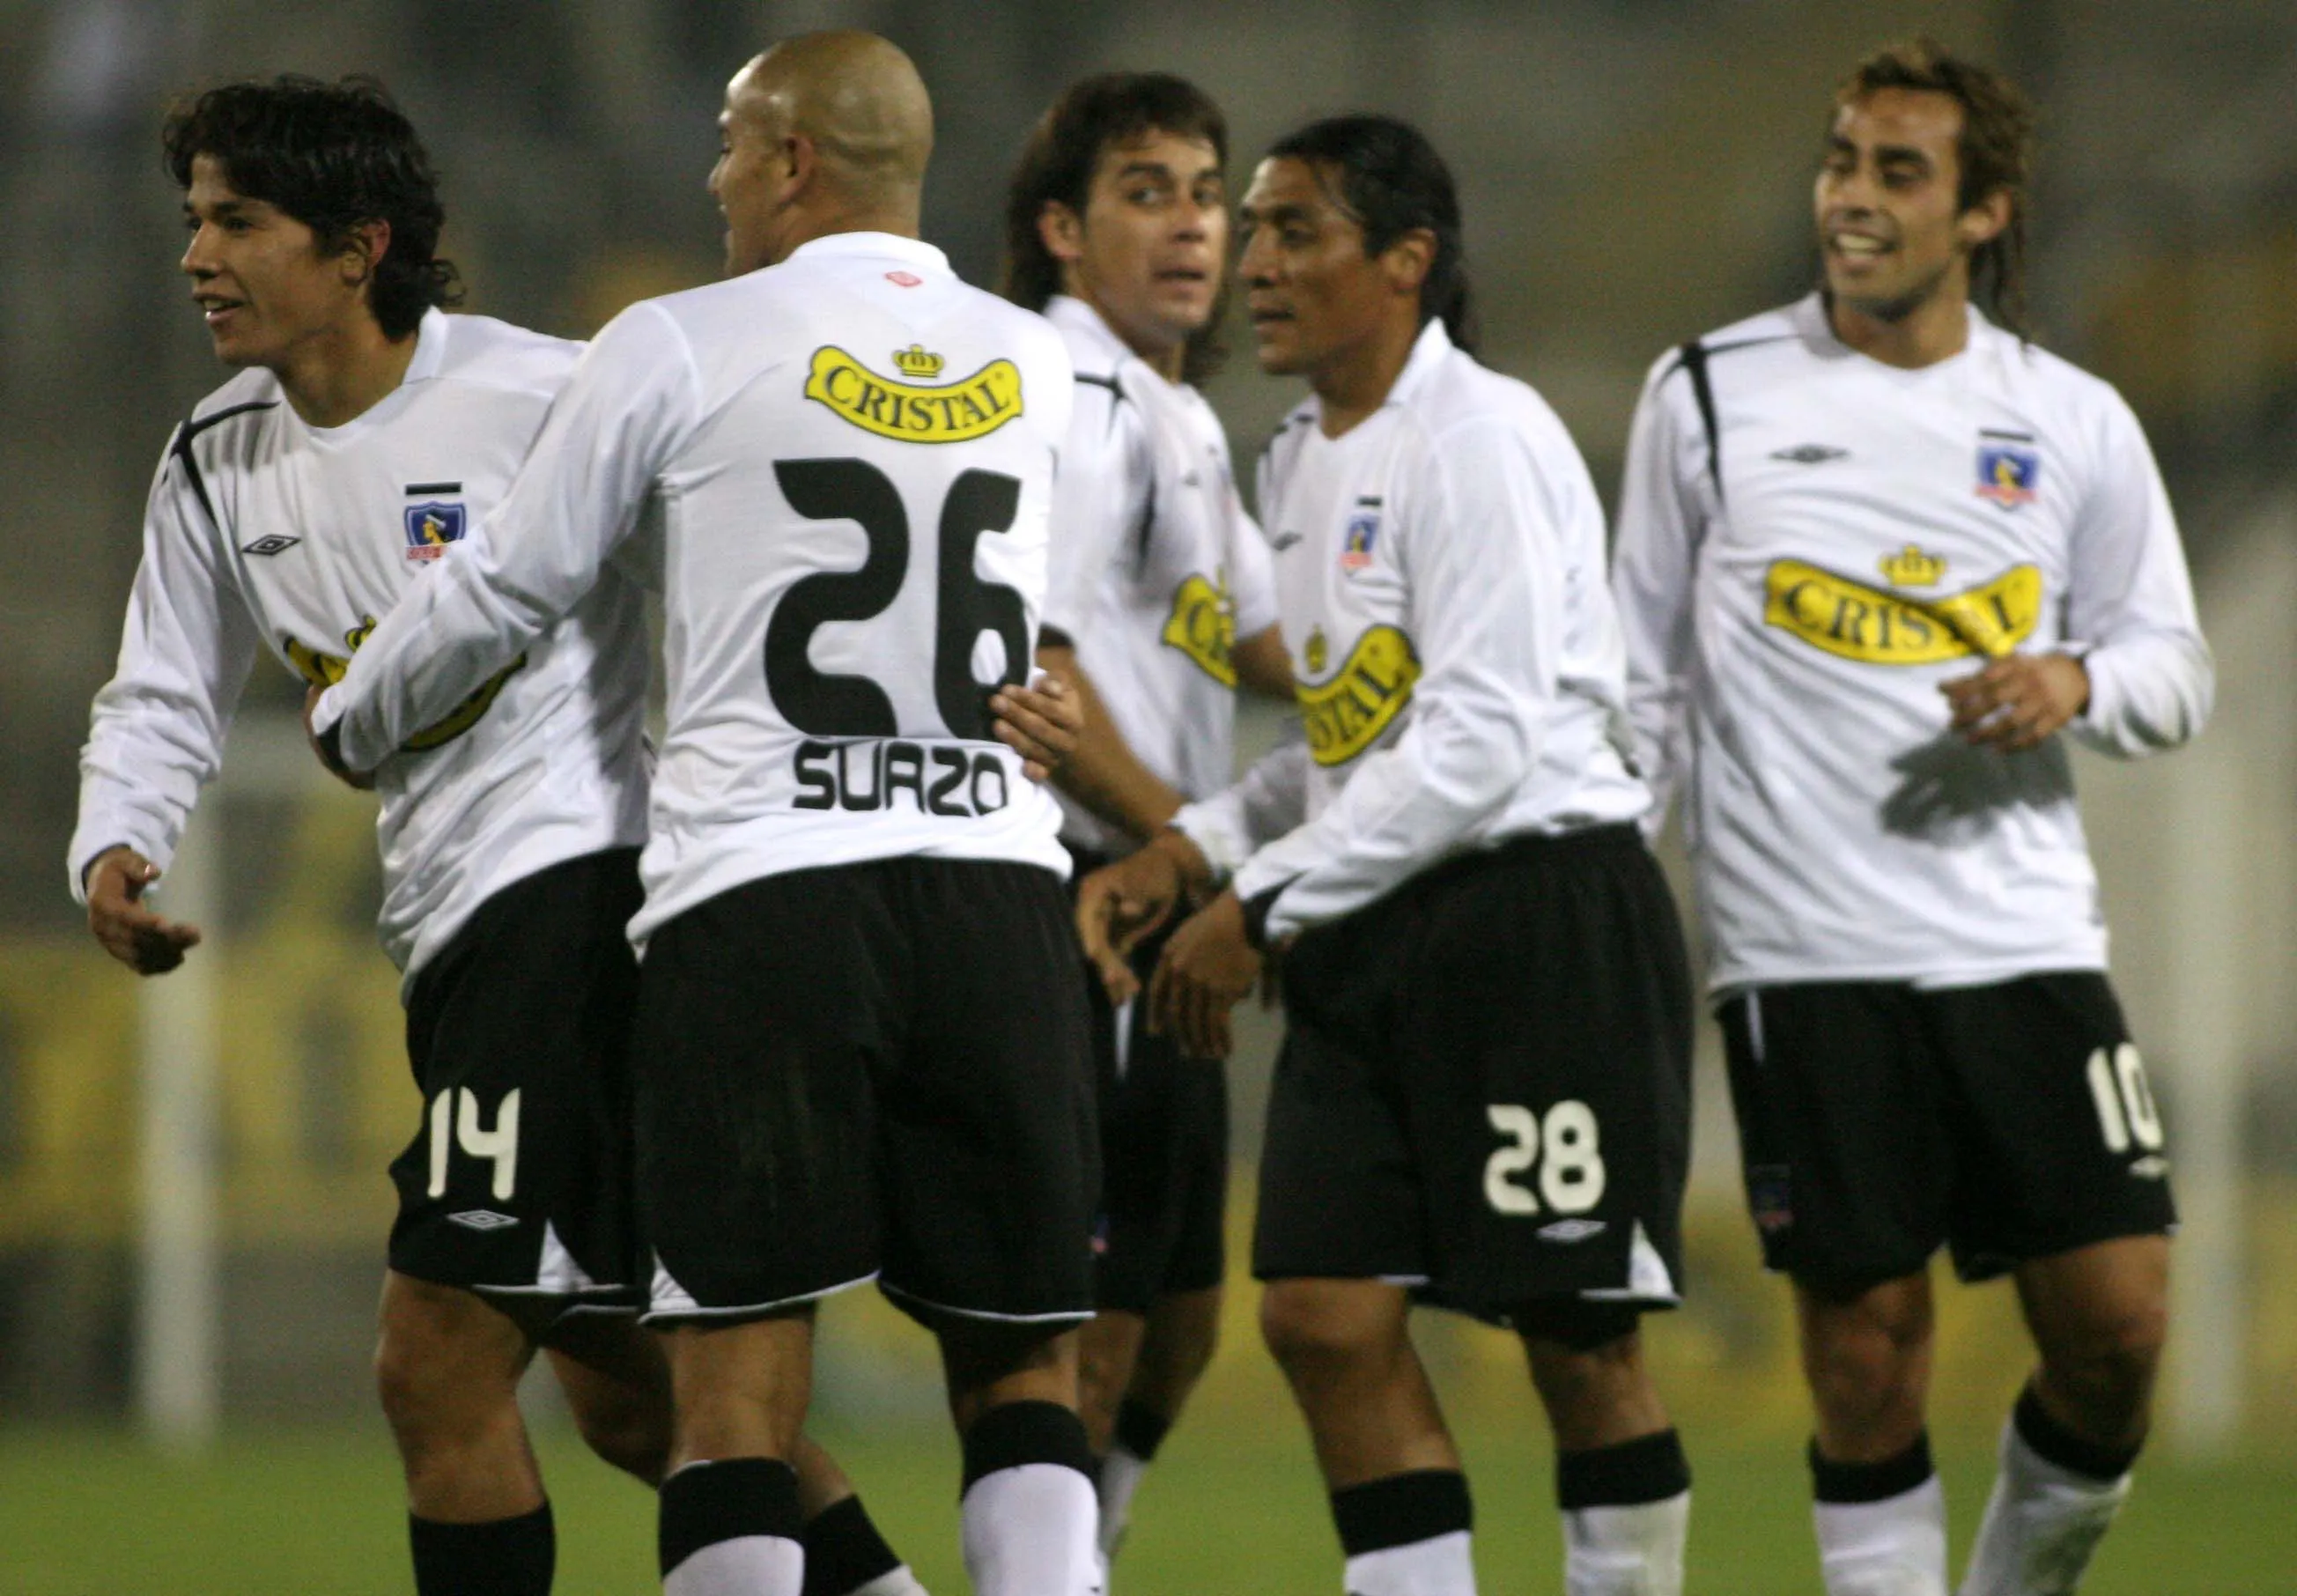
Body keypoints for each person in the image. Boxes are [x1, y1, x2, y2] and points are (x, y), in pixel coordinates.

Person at [70, 76, 922, 1596]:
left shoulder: (547, 395)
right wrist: (115, 838)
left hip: (583, 895)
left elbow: (741, 580)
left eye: (239, 222)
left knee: (437, 1360)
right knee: (640, 1400)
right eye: (193, 220)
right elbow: (161, 686)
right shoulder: (217, 457)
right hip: (457, 928)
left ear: (357, 246)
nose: (197, 255)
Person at [305, 34, 1100, 1596]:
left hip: (766, 901)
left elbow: (506, 584)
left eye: (734, 143)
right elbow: (1042, 642)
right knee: (1025, 1379)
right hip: (996, 890)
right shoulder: (1040, 358)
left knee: (733, 1399)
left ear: (796, 161)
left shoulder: (671, 341)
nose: (716, 174)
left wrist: (355, 710)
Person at [1610, 38, 2211, 1596]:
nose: (1854, 199)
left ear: (1986, 211)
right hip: (1806, 961)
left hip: (2018, 942)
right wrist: (1609, 881)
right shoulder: (1708, 398)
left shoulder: (2069, 418)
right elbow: (1638, 687)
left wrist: (2076, 682)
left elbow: (2173, 663)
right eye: (1840, 162)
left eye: (1900, 171)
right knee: (1867, 1361)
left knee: (2122, 1323)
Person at [1078, 115, 1695, 1596]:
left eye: (1299, 233)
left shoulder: (1481, 438)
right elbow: (1360, 744)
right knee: (1320, 1312)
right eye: (1261, 231)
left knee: (1578, 1340)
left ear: (1406, 262)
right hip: (1379, 914)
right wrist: (1198, 843)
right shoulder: (1293, 460)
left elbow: (1480, 741)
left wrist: (1262, 900)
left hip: (1536, 915)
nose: (1259, 265)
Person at [1000, 70, 1291, 1572]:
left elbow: (1275, 637)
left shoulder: (1173, 413)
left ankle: (1085, 1551)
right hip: (1088, 894)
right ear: (1060, 228)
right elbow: (1036, 674)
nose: (1192, 226)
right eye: (1146, 191)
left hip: (1163, 884)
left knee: (1182, 1320)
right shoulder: (1066, 389)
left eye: (1206, 191)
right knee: (1100, 1327)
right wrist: (1194, 840)